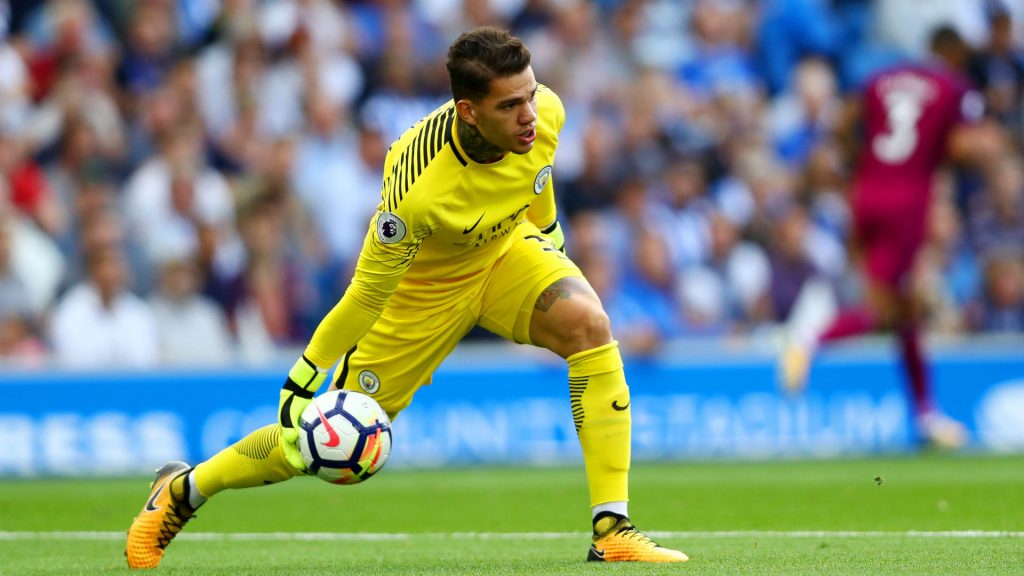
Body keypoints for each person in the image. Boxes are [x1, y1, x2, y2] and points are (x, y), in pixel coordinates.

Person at [125, 27, 689, 568]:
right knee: (316, 441)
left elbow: (536, 186)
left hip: (503, 256)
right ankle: (184, 489)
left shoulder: (547, 113)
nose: (529, 115)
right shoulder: (416, 183)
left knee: (590, 325)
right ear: (469, 111)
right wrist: (305, 374)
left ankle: (612, 529)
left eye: (531, 95)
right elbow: (366, 294)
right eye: (510, 105)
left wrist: (551, 243)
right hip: (421, 296)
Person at [779, 26, 1005, 449]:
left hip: (866, 191)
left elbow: (845, 118)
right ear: (954, 53)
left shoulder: (882, 77)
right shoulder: (953, 86)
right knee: (881, 308)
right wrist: (979, 155)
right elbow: (961, 146)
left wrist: (856, 159)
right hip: (907, 201)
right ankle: (807, 339)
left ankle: (926, 415)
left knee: (906, 309)